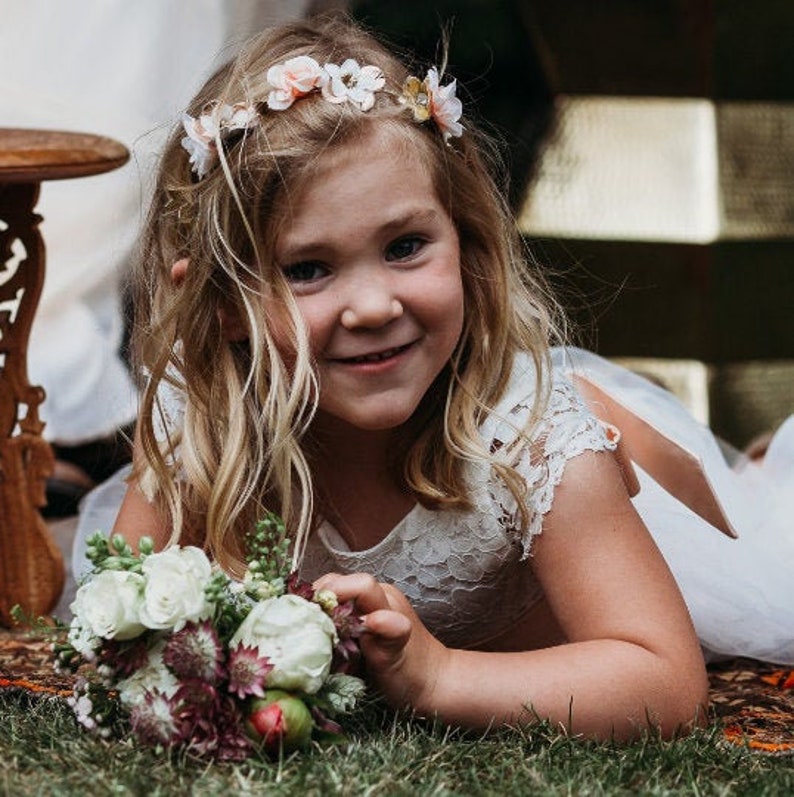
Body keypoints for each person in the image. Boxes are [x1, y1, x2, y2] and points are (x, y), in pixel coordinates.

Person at [74, 15, 794, 741]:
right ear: (224, 307)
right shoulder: (202, 412)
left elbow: (665, 683)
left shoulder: (536, 444)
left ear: (468, 245)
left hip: (596, 504)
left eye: (406, 246)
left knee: (761, 538)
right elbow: (123, 630)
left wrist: (440, 674)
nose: (375, 306)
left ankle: (733, 459)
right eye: (309, 269)